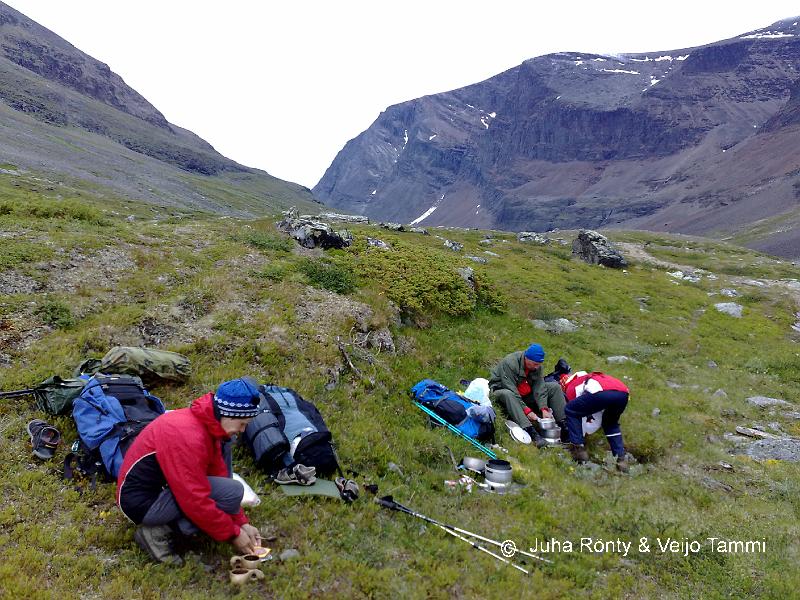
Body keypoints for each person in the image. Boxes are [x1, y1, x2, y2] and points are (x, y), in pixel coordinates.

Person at [117, 378, 264, 565]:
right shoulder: (187, 437)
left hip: (164, 488)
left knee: (232, 491)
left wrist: (241, 522)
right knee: (219, 497)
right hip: (141, 502)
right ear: (229, 415)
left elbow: (219, 478)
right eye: (242, 424)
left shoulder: (211, 426)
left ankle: (175, 526)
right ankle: (156, 534)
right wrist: (233, 534)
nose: (242, 431)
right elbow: (194, 499)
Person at [488, 343, 568, 446]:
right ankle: (531, 431)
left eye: (539, 364)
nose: (537, 367)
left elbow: (540, 387)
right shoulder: (510, 363)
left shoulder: (536, 366)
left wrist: (544, 408)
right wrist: (527, 410)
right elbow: (511, 389)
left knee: (554, 387)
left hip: (523, 395)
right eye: (535, 364)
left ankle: (564, 426)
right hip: (502, 394)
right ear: (526, 358)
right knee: (508, 394)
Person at [560, 371, 630, 472]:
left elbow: (576, 414)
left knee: (570, 410)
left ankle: (578, 450)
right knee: (610, 424)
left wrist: (580, 435)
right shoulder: (591, 377)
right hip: (623, 393)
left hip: (601, 392)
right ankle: (621, 459)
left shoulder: (571, 386)